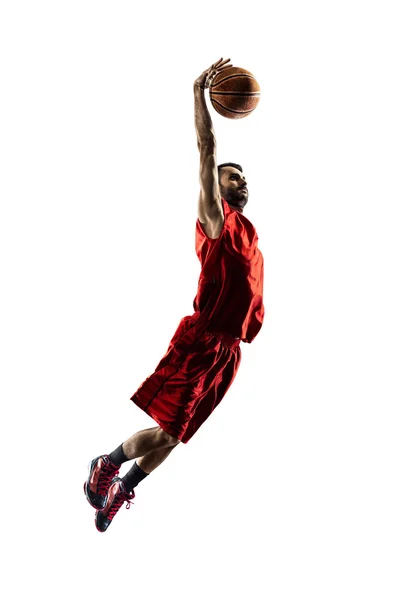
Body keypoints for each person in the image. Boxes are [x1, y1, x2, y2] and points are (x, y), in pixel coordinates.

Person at [84, 58, 265, 532]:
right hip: (203, 339)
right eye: (232, 175)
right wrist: (199, 95)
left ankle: (123, 489)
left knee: (176, 436)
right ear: (216, 187)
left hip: (229, 352)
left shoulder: (249, 232)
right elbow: (207, 147)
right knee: (166, 428)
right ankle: (105, 464)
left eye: (244, 176)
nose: (239, 179)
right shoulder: (215, 217)